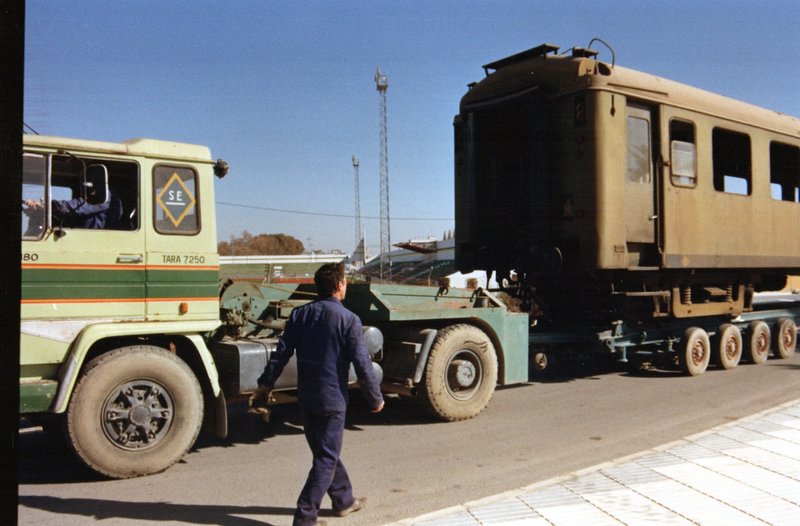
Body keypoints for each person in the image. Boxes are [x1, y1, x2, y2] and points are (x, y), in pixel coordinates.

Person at [251, 262, 384, 526]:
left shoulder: (300, 315)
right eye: (345, 281)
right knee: (326, 457)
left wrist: (265, 385)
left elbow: (281, 354)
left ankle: (344, 500)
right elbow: (362, 363)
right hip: (332, 399)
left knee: (325, 452)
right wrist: (375, 397)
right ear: (339, 286)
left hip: (307, 397)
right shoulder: (349, 319)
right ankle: (305, 517)